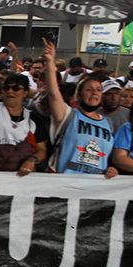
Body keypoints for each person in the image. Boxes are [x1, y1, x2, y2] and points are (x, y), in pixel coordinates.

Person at [42, 39, 114, 175]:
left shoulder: (108, 123)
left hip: (93, 188)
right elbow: (53, 93)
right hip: (63, 183)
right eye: (89, 89)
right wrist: (50, 62)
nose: (94, 92)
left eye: (98, 89)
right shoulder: (68, 115)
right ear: (79, 95)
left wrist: (112, 168)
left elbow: (107, 157)